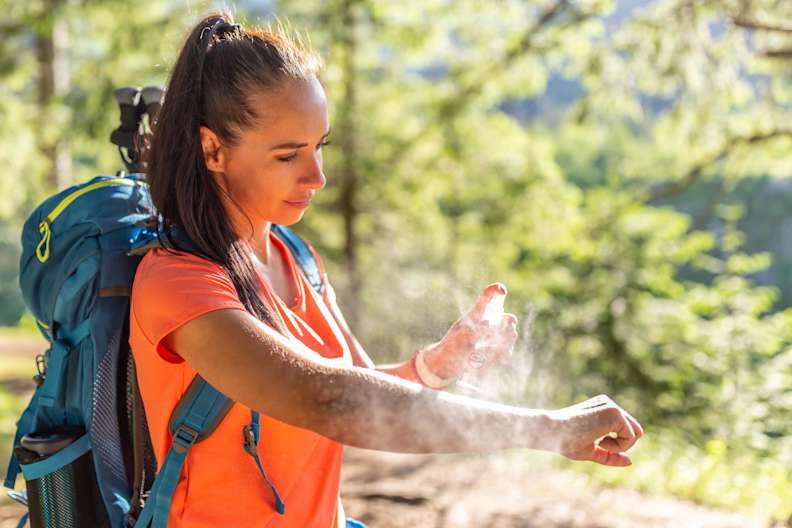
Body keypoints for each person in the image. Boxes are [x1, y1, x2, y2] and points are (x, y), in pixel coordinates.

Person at [129, 12, 644, 528]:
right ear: (213, 149)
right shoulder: (179, 282)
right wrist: (547, 428)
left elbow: (362, 390)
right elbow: (327, 400)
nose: (318, 176)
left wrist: (435, 367)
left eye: (319, 147)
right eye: (289, 156)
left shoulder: (295, 257)